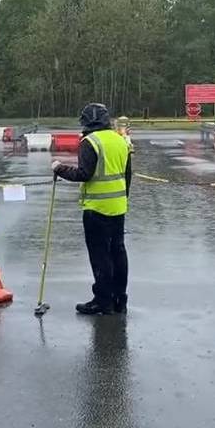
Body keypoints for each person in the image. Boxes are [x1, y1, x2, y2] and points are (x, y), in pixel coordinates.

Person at [52, 103, 132, 315]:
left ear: (86, 122)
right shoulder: (120, 140)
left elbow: (84, 174)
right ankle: (120, 300)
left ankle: (102, 301)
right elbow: (128, 175)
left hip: (96, 208)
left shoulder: (90, 142)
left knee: (100, 257)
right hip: (118, 206)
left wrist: (59, 169)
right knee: (118, 253)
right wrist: (123, 199)